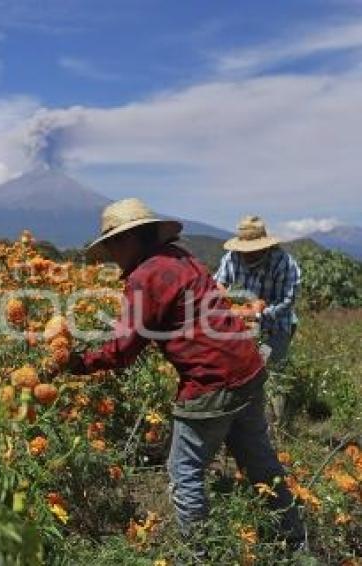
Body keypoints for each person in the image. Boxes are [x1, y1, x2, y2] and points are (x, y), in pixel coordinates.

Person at [60, 198, 305, 553]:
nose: (112, 255)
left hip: (211, 382)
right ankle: (295, 542)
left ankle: (201, 554)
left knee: (184, 475)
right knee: (260, 462)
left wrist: (76, 363)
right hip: (247, 367)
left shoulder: (145, 277)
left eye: (113, 244)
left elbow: (123, 350)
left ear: (130, 240)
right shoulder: (180, 255)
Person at [214, 216, 301, 421]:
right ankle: (245, 420)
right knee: (241, 374)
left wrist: (256, 314)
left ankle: (276, 423)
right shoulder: (232, 258)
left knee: (270, 373)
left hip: (275, 325)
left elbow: (286, 302)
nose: (248, 254)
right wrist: (225, 303)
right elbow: (218, 285)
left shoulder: (284, 263)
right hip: (241, 326)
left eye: (253, 250)